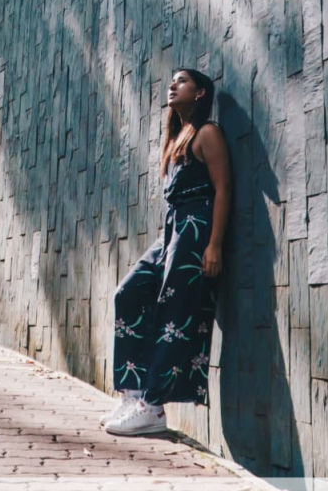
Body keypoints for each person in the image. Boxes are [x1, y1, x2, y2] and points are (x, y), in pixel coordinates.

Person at [103, 68, 231, 436]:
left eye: (182, 82)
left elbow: (223, 190)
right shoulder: (177, 139)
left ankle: (153, 405)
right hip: (172, 233)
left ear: (201, 93)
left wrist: (215, 245)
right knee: (128, 293)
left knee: (175, 314)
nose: (173, 86)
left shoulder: (208, 134)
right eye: (172, 81)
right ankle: (132, 392)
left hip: (196, 234)